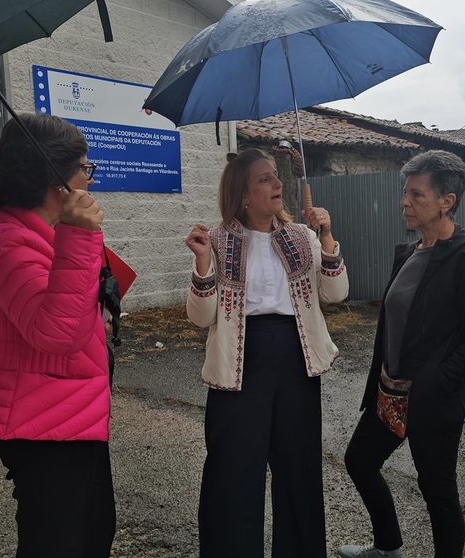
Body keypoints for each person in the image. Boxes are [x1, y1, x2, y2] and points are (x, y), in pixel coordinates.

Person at [0, 113, 114, 558]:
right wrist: (81, 236)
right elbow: (55, 332)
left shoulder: (34, 232)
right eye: (85, 167)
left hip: (66, 412)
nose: (90, 178)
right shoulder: (7, 242)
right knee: (58, 542)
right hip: (41, 423)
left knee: (93, 529)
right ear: (55, 179)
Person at [185, 148, 348, 558]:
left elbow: (336, 293)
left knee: (298, 468)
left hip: (295, 358)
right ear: (242, 194)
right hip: (238, 361)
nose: (277, 185)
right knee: (233, 469)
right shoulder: (217, 240)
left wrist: (326, 236)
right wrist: (203, 263)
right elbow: (202, 317)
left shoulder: (302, 236)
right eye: (264, 179)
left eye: (276, 177)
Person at [338, 150, 465, 558]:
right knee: (359, 462)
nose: (404, 202)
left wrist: (437, 384)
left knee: (437, 490)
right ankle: (388, 547)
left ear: (447, 201)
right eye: (404, 193)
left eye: (416, 195)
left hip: (430, 402)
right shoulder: (407, 254)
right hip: (388, 396)